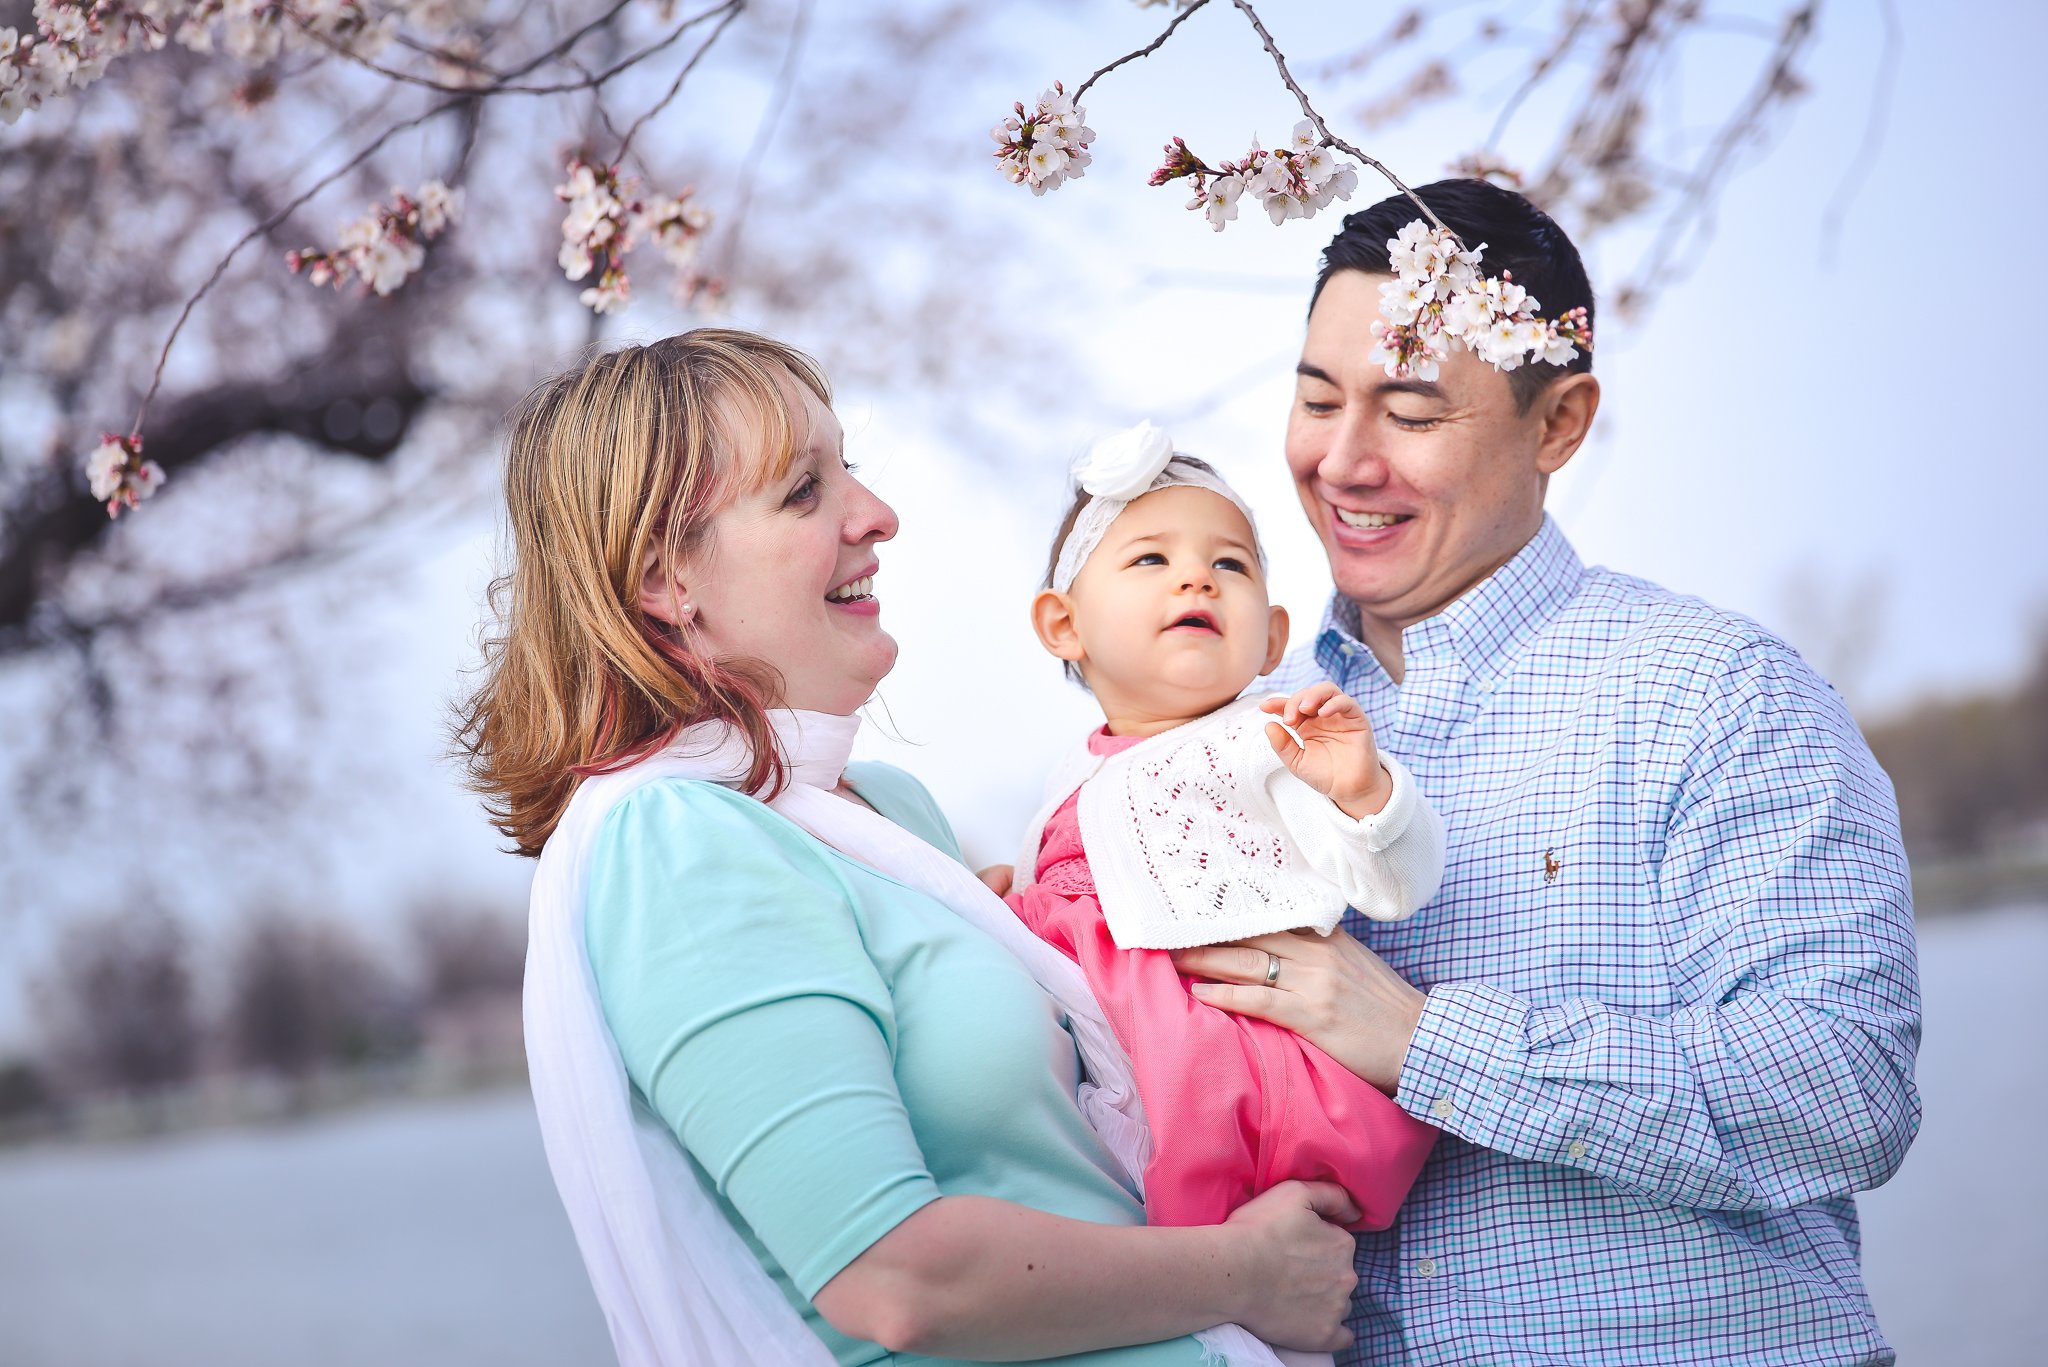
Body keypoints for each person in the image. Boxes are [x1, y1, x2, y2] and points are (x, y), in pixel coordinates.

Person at [455, 329, 1363, 1367]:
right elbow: (890, 1273)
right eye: (803, 490)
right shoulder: (675, 841)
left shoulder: (889, 814)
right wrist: (1246, 1274)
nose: (875, 513)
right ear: (665, 575)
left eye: (851, 468)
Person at [1170, 179, 1922, 1365]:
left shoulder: (1716, 695)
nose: (1341, 461)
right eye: (1317, 399)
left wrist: (1421, 1038)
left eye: (1410, 411)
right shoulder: (1229, 736)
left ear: (1558, 423)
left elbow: (1843, 1090)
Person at [1004, 420, 1441, 1234]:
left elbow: (1394, 886)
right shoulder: (1065, 781)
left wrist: (1364, 796)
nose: (1197, 580)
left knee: (1234, 1276)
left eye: (1229, 564)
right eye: (1151, 559)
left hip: (1228, 1081)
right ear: (1064, 625)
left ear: (1273, 637)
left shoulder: (1266, 741)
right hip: (1111, 1065)